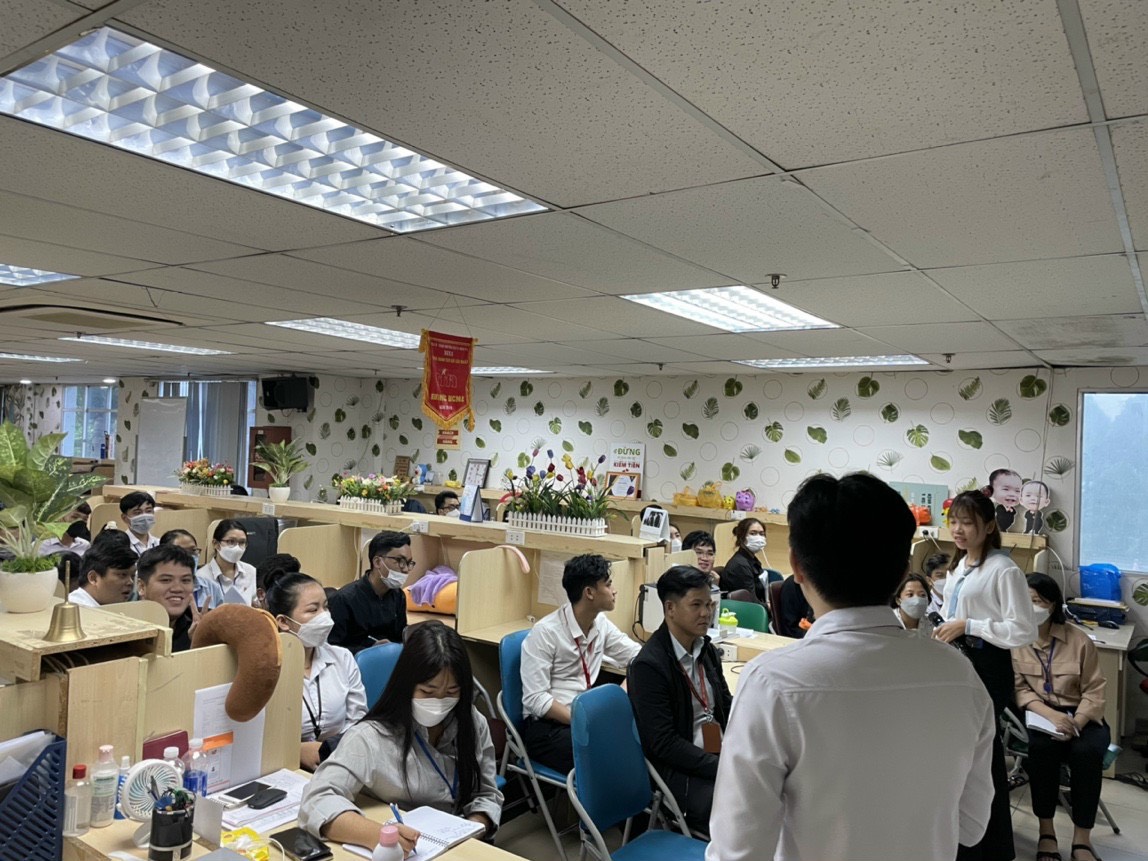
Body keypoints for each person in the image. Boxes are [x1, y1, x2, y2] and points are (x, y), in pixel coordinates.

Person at [707, 472, 995, 861]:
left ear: (797, 566)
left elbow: (737, 851)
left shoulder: (773, 683)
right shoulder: (960, 675)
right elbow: (972, 826)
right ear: (903, 572)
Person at [299, 621, 503, 854]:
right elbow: (316, 800)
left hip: (457, 845)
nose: (439, 702)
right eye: (427, 692)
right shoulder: (372, 737)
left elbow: (487, 794)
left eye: (451, 692)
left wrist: (472, 829)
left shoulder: (471, 721)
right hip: (403, 849)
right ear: (406, 685)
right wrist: (380, 836)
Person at [935, 490, 1037, 861]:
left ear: (989, 526)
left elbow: (1023, 629)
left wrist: (969, 625)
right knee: (962, 752)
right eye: (954, 522)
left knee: (983, 753)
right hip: (959, 661)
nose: (958, 530)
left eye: (967, 523)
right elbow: (951, 613)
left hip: (988, 665)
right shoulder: (959, 565)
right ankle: (962, 834)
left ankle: (992, 845)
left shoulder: (1003, 570)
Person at [628, 565, 732, 836]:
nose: (706, 613)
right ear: (670, 608)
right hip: (679, 769)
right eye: (696, 605)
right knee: (744, 807)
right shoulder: (649, 666)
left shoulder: (706, 650)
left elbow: (725, 705)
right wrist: (721, 767)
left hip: (716, 751)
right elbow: (663, 743)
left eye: (709, 604)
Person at [1014, 573, 1108, 861]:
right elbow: (1019, 689)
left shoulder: (1079, 641)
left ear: (1052, 604)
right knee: (1040, 751)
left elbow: (1095, 690)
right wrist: (1051, 715)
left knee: (1086, 753)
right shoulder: (1015, 641)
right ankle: (1047, 833)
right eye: (1025, 601)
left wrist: (1075, 722)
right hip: (1041, 714)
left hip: (1081, 715)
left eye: (1038, 601)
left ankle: (1082, 839)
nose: (1032, 608)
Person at [520, 553, 641, 774]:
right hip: (549, 727)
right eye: (608, 585)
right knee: (613, 753)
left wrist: (622, 692)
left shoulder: (600, 623)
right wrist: (582, 721)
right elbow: (536, 699)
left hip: (587, 714)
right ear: (589, 593)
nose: (614, 591)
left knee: (641, 737)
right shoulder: (546, 633)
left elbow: (639, 658)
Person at [267, 570, 368, 770]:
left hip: (340, 760)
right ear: (284, 622)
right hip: (282, 766)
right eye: (313, 610)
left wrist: (334, 750)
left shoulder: (342, 658)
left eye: (326, 607)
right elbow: (259, 738)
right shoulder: (267, 669)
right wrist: (296, 751)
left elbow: (358, 719)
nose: (325, 617)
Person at [328, 532, 410, 653]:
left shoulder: (398, 596)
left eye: (409, 563)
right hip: (354, 662)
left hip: (389, 658)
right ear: (377, 562)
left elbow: (399, 637)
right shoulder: (344, 599)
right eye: (400, 561)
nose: (406, 569)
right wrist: (369, 650)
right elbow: (331, 649)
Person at [137, 544, 199, 652]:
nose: (177, 589)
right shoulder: (124, 629)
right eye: (166, 580)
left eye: (185, 580)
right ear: (142, 587)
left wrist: (200, 643)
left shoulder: (197, 626)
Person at [197, 519, 256, 605]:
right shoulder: (202, 577)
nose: (237, 548)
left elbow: (256, 603)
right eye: (231, 541)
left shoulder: (251, 571)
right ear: (216, 544)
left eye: (242, 542)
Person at [160, 528, 219, 611]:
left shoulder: (212, 586)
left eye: (193, 550)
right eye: (181, 551)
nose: (189, 556)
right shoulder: (159, 586)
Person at [68, 544, 138, 607]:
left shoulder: (115, 607)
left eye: (132, 576)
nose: (130, 582)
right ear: (93, 578)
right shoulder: (76, 610)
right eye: (122, 575)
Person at [718, 518, 766, 602]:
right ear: (742, 536)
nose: (758, 538)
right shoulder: (740, 565)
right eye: (753, 533)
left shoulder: (751, 559)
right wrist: (769, 607)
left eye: (761, 534)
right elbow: (750, 601)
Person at [890, 572, 934, 638]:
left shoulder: (931, 625)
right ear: (898, 600)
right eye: (910, 595)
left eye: (922, 595)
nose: (917, 600)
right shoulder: (889, 623)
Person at [119, 491, 159, 555]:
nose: (144, 516)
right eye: (137, 513)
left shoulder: (159, 544)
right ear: (124, 518)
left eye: (148, 511)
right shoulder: (120, 546)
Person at [985, 468, 1023, 534]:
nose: (1012, 494)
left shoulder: (1020, 510)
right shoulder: (991, 506)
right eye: (1006, 489)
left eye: (1017, 491)